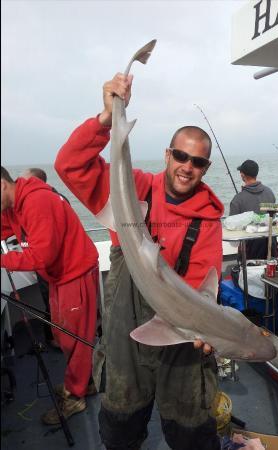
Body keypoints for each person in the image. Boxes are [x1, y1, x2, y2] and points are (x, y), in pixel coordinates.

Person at [54, 72, 224, 450]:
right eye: (180, 155)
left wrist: (208, 326)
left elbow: (203, 285)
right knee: (120, 426)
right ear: (168, 154)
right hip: (125, 339)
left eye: (197, 162)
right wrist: (106, 118)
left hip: (179, 339)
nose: (186, 166)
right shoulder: (133, 189)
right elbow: (70, 165)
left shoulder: (208, 219)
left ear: (206, 168)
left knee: (190, 429)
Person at [1, 166, 99, 424]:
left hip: (75, 274)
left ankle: (75, 397)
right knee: (62, 336)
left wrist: (3, 259)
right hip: (59, 276)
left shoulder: (36, 201)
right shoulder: (14, 205)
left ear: (2, 185)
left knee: (74, 341)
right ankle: (83, 383)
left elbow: (43, 255)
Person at [22, 167, 70, 345]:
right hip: (45, 265)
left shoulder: (47, 200)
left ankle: (58, 339)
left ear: (38, 182)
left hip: (54, 266)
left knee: (57, 306)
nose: (23, 185)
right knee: (52, 304)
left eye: (27, 181)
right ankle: (55, 337)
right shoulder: (51, 198)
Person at [230, 159, 278, 260]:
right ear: (256, 173)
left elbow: (232, 230)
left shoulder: (238, 199)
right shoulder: (270, 192)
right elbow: (272, 217)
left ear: (242, 175)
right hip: (271, 246)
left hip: (249, 251)